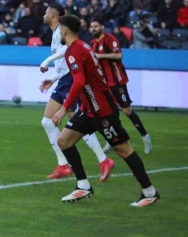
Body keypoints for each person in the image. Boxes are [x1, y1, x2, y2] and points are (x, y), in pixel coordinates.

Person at [52, 15, 159, 207]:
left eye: (60, 28)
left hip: (102, 110)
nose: (59, 31)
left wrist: (63, 109)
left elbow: (79, 82)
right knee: (63, 141)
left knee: (123, 150)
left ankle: (149, 192)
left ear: (65, 30)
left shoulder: (75, 51)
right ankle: (83, 186)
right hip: (89, 110)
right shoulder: (83, 46)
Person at [39, 5, 114, 180]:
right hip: (63, 81)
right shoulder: (56, 32)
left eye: (45, 12)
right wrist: (54, 78)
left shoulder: (61, 32)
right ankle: (63, 165)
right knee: (47, 122)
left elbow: (66, 50)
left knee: (77, 123)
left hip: (70, 82)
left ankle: (103, 161)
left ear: (51, 14)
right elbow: (64, 62)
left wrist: (47, 60)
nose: (43, 15)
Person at [89, 18, 153, 154]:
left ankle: (145, 136)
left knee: (127, 111)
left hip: (117, 81)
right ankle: (112, 140)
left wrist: (101, 56)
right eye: (91, 27)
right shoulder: (92, 43)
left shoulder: (109, 39)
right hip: (104, 84)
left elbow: (119, 55)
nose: (93, 29)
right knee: (109, 113)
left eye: (96, 26)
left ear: (102, 26)